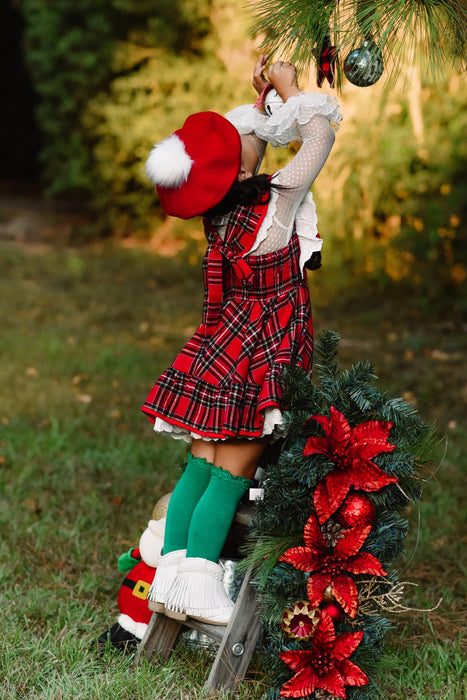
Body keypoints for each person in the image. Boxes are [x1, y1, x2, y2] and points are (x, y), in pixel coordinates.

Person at [141, 56, 342, 626]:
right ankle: (200, 581)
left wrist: (264, 100)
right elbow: (318, 139)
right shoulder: (276, 202)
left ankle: (171, 576)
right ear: (235, 173)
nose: (244, 137)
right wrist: (294, 90)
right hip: (259, 349)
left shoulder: (221, 209)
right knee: (233, 467)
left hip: (223, 342)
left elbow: (245, 137)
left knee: (199, 468)